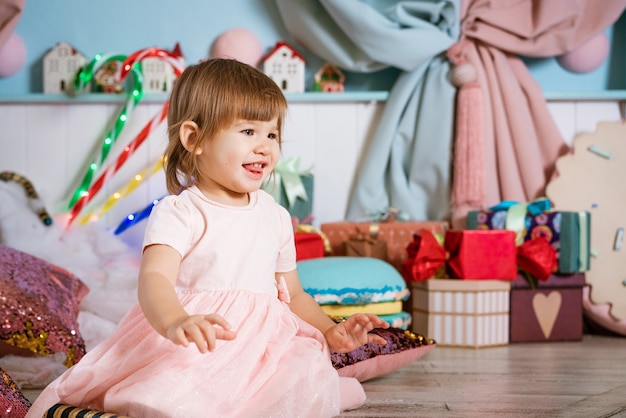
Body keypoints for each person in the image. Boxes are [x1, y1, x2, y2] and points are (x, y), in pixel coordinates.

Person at [26, 58, 389, 418]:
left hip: (262, 347)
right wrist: (174, 321)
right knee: (175, 392)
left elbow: (293, 294)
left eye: (272, 134)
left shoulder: (275, 216)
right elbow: (154, 279)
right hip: (202, 338)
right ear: (194, 138)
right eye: (248, 132)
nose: (264, 146)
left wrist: (330, 329)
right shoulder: (182, 212)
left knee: (302, 373)